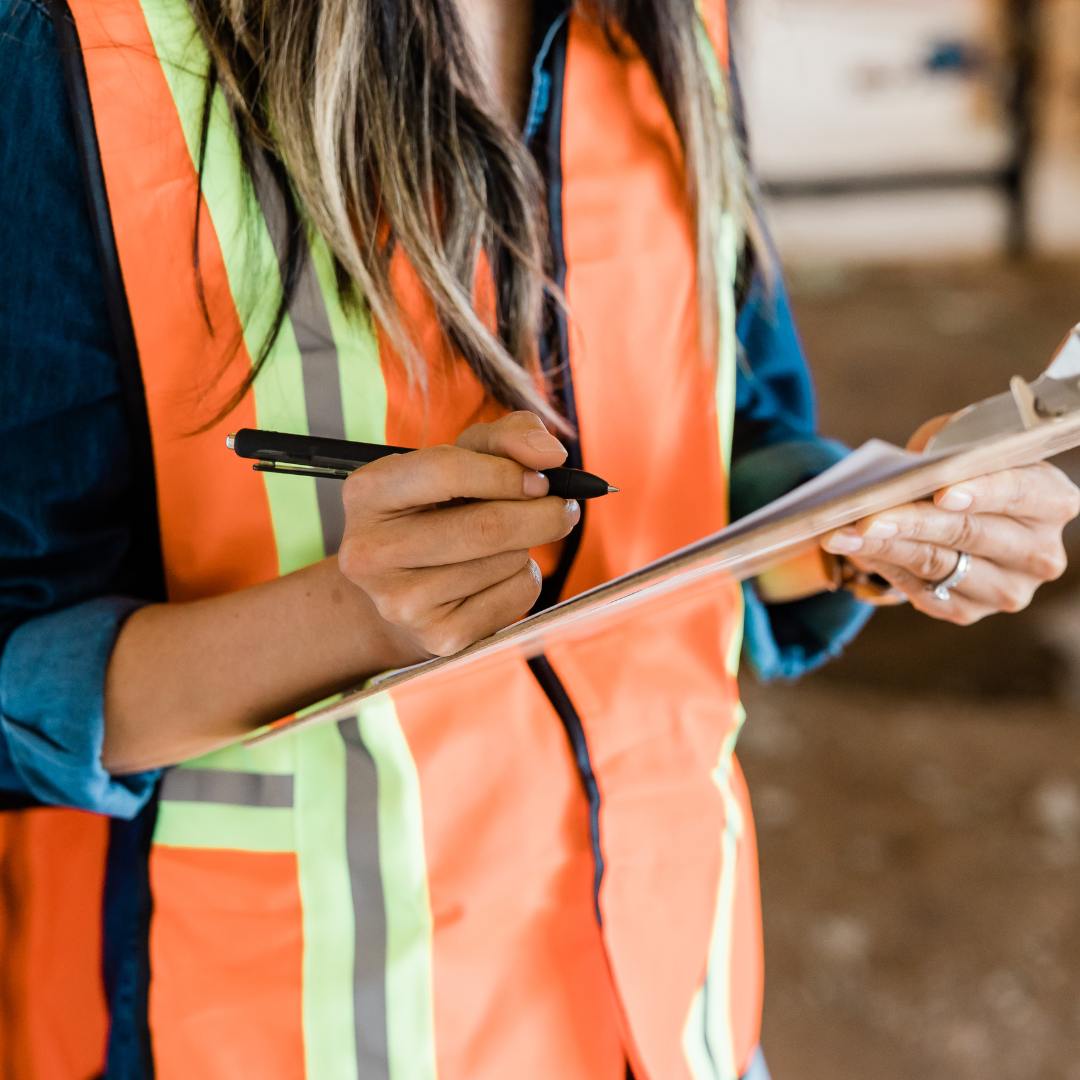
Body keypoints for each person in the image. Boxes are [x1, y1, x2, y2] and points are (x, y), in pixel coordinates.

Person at [1, 0, 1076, 1077]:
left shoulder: (675, 26)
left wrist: (870, 519)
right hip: (250, 1027)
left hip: (661, 1005)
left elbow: (730, 432)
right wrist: (343, 616)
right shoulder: (72, 48)